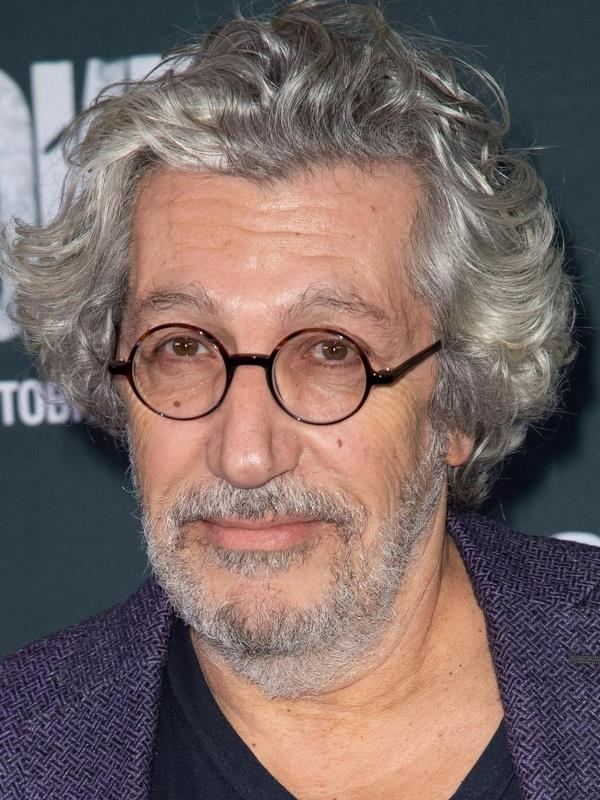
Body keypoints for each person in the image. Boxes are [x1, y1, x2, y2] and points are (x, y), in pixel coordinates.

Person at [1, 1, 597, 798]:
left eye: (330, 352)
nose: (246, 454)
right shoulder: (22, 750)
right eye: (183, 348)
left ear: (458, 402)